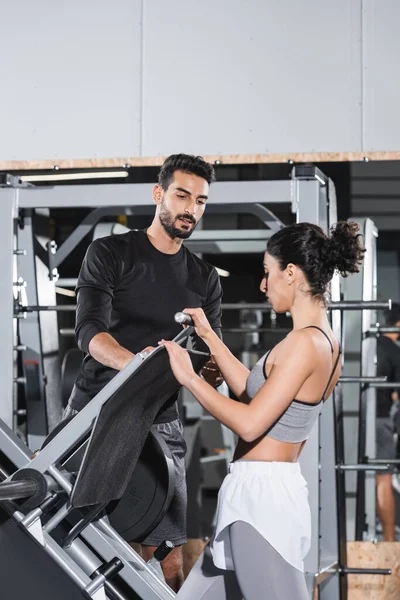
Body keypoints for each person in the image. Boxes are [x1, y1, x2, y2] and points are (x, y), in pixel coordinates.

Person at [161, 221, 365, 600]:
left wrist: (190, 379)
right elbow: (252, 392)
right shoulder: (316, 339)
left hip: (264, 502)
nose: (262, 284)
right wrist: (209, 337)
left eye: (267, 272)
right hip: (249, 492)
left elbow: (251, 423)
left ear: (291, 273)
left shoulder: (307, 344)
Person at [63, 153, 224, 591]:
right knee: (78, 543)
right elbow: (89, 332)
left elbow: (213, 365)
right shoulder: (111, 252)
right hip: (96, 412)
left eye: (201, 201)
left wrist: (209, 370)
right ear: (159, 195)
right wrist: (139, 363)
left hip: (160, 421)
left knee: (171, 564)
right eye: (182, 195)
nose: (191, 208)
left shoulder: (205, 278)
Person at [375, 303, 400, 541]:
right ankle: (390, 545)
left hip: (354, 420)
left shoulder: (365, 346)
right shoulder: (393, 351)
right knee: (383, 479)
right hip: (381, 420)